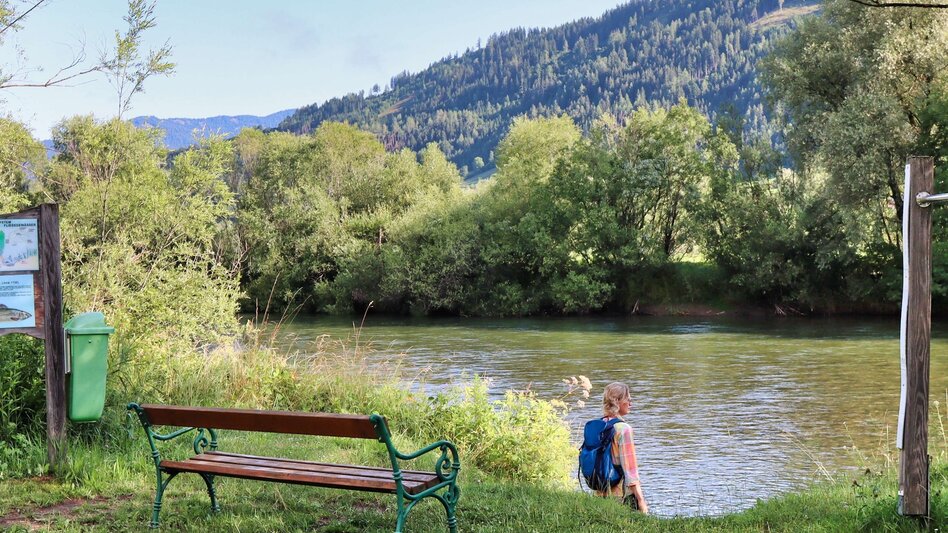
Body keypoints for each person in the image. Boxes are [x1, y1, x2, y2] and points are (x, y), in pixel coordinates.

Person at [598, 381, 648, 514]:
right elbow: (630, 470)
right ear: (617, 401)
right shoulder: (623, 429)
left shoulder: (599, 425)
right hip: (621, 494)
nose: (630, 403)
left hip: (599, 491)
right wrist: (641, 500)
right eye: (628, 399)